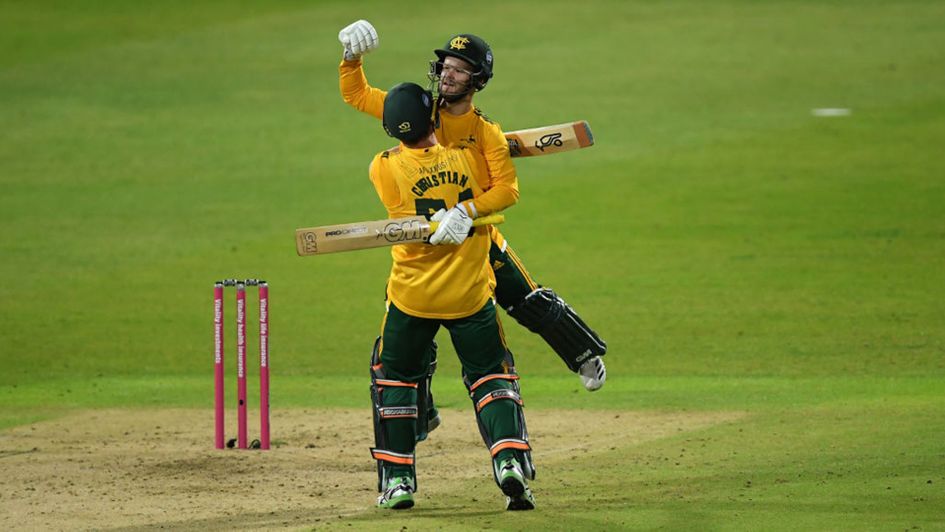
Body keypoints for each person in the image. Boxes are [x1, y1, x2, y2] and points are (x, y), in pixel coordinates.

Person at [338, 21, 608, 410]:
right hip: (424, 245)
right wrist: (351, 58)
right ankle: (420, 412)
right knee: (407, 324)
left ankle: (582, 354)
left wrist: (466, 211)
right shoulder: (417, 110)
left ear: (477, 80)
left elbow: (507, 189)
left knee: (526, 299)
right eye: (445, 66)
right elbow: (357, 94)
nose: (448, 75)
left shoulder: (485, 132)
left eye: (459, 69)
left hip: (476, 236)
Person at [367, 82, 536, 511]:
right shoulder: (467, 159)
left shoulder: (383, 168)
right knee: (491, 374)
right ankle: (510, 462)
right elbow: (501, 188)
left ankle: (398, 481)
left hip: (413, 297)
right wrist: (467, 209)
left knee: (395, 378)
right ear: (433, 120)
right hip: (469, 295)